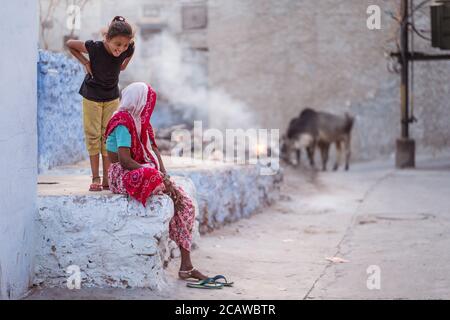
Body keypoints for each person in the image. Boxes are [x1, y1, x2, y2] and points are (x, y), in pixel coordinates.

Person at [105, 82, 208, 281]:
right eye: (147, 102)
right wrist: (157, 176)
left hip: (143, 170)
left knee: (185, 204)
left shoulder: (140, 123)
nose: (148, 107)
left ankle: (186, 266)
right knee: (151, 177)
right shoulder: (122, 122)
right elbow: (124, 162)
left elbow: (154, 152)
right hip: (122, 173)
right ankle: (161, 185)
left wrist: (164, 176)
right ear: (137, 101)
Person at [67, 16, 135, 191]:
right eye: (117, 44)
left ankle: (107, 179)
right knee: (93, 135)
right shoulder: (95, 47)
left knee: (108, 136)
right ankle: (96, 178)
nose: (121, 49)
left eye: (125, 45)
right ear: (107, 39)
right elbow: (70, 43)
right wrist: (85, 62)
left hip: (112, 97)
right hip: (91, 96)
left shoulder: (129, 49)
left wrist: (123, 58)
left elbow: (123, 65)